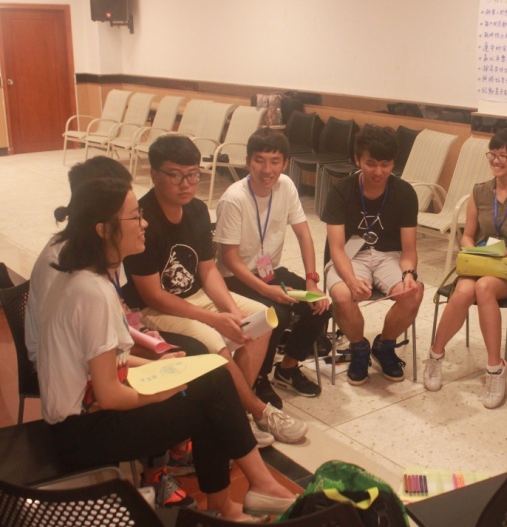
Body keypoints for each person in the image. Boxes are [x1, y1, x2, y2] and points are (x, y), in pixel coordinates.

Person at [38, 177, 296, 521]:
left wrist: (159, 366)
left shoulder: (86, 276)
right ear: (104, 229)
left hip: (88, 411)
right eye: (135, 217)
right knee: (211, 404)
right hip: (82, 432)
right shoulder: (91, 293)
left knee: (213, 375)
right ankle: (234, 502)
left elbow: (104, 362)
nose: (144, 224)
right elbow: (110, 396)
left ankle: (243, 496)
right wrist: (163, 391)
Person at [122, 135, 307, 445]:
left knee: (261, 319)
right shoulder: (144, 220)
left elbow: (208, 270)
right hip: (155, 309)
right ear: (154, 174)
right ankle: (257, 411)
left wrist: (233, 312)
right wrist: (214, 319)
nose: (186, 184)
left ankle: (234, 410)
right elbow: (153, 295)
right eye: (175, 175)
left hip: (195, 296)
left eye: (193, 174)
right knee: (211, 338)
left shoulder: (196, 209)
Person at [25, 157, 205, 369]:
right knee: (192, 357)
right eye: (134, 215)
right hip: (69, 360)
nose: (143, 223)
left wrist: (143, 332)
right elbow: (81, 350)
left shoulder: (106, 244)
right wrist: (150, 363)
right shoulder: (65, 263)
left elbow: (120, 306)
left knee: (190, 353)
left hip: (106, 343)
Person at [424, 128, 507, 409]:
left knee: (483, 287)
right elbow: (467, 235)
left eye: (504, 155)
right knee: (463, 290)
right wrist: (472, 249)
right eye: (493, 154)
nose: (496, 160)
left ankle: (495, 368)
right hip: (483, 260)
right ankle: (435, 355)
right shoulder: (479, 191)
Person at [215, 128, 331, 398]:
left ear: (285, 163)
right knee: (277, 315)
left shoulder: (285, 186)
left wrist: (312, 280)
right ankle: (259, 378)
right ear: (248, 162)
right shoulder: (234, 198)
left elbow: (303, 233)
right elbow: (229, 257)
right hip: (235, 278)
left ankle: (287, 369)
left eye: (275, 161)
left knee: (320, 305)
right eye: (259, 160)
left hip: (269, 272)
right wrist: (267, 290)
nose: (267, 169)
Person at [321, 126, 424, 385]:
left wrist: (409, 274)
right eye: (371, 164)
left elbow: (408, 249)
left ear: (393, 163)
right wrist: (351, 280)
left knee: (413, 292)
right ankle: (359, 348)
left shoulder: (404, 192)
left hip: (389, 255)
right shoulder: (341, 190)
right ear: (358, 160)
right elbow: (336, 248)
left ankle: (384, 345)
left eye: (385, 164)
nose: (378, 172)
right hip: (350, 257)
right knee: (342, 294)